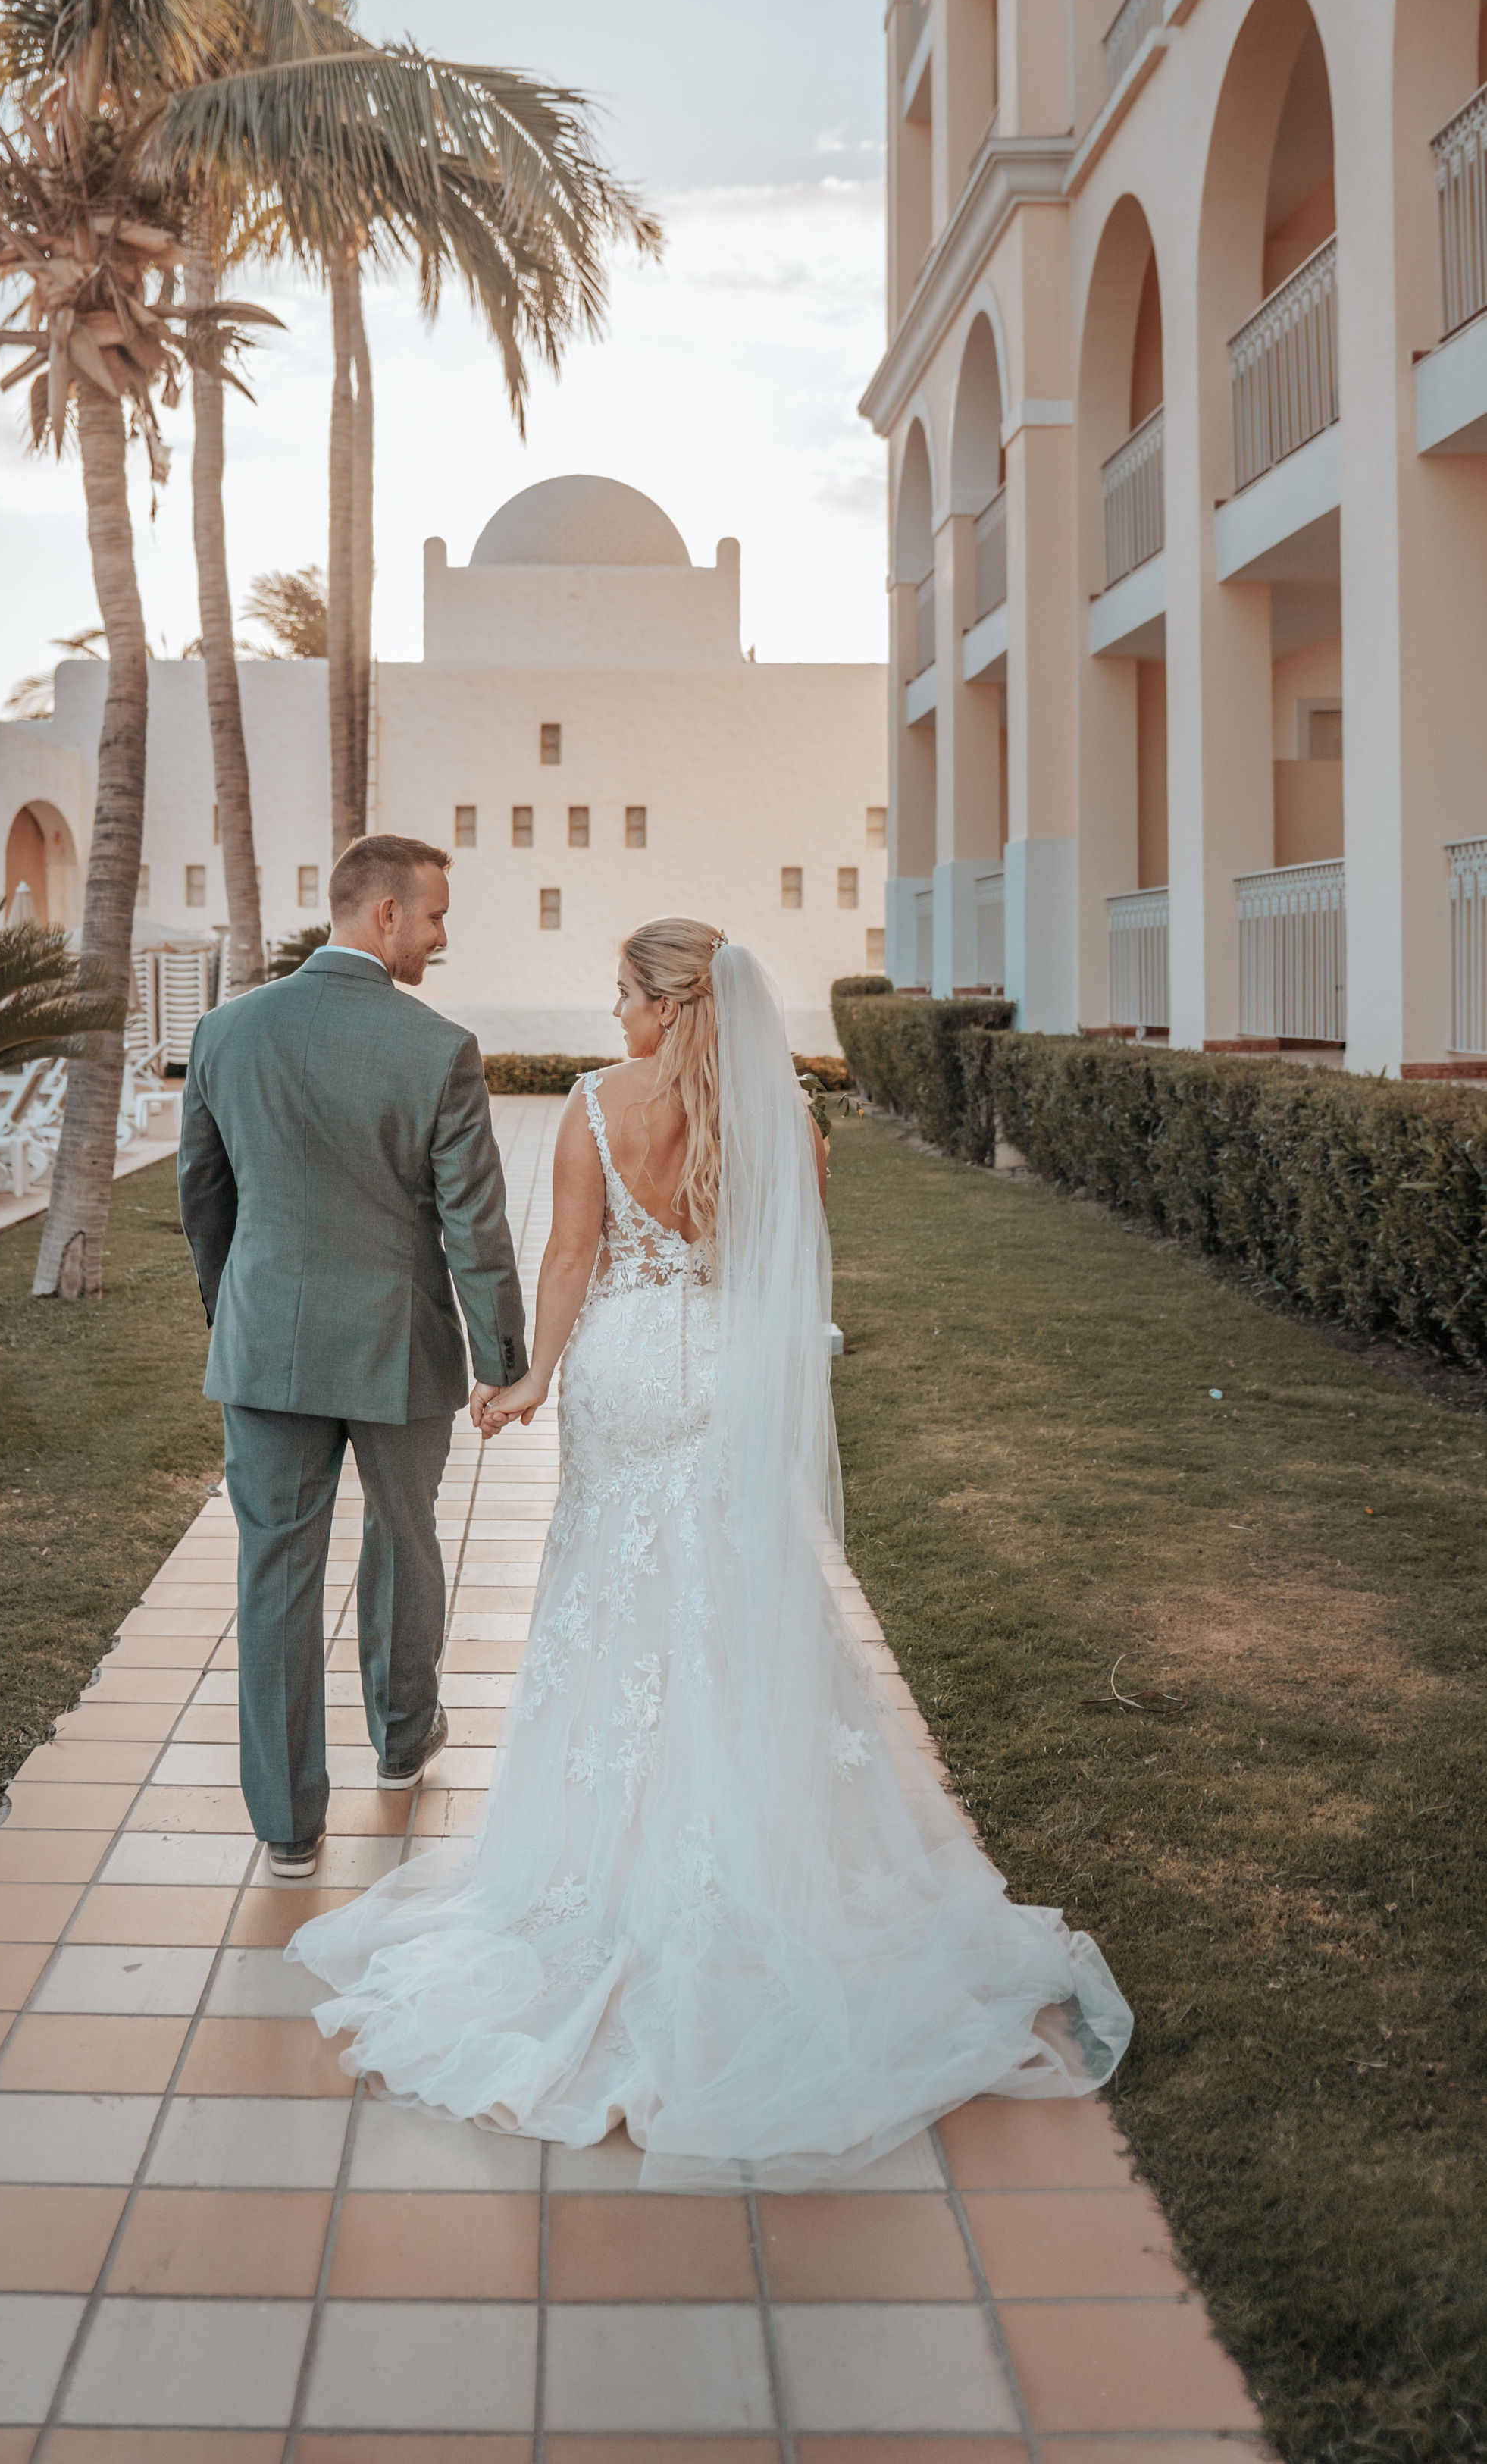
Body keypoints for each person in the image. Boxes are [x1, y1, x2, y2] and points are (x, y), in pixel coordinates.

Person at [288, 917, 1132, 2186]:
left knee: (615, 1597)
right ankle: (766, 1854)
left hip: (625, 1377)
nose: (612, 1017)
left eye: (624, 996)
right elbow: (779, 1273)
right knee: (740, 1588)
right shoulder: (786, 1121)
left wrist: (523, 1382)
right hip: (728, 1374)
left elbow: (572, 1255)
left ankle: (609, 1865)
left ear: (666, 1005)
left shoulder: (593, 1107)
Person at [177, 833, 527, 1881]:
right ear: (382, 915)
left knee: (274, 1570)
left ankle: (288, 1828)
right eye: (433, 915)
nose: (441, 934)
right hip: (398, 1341)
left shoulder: (224, 1032)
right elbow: (475, 1223)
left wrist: (234, 1311)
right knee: (406, 1538)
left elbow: (204, 1199)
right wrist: (500, 1354)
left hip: (266, 1345)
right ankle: (402, 1737)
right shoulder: (437, 1049)